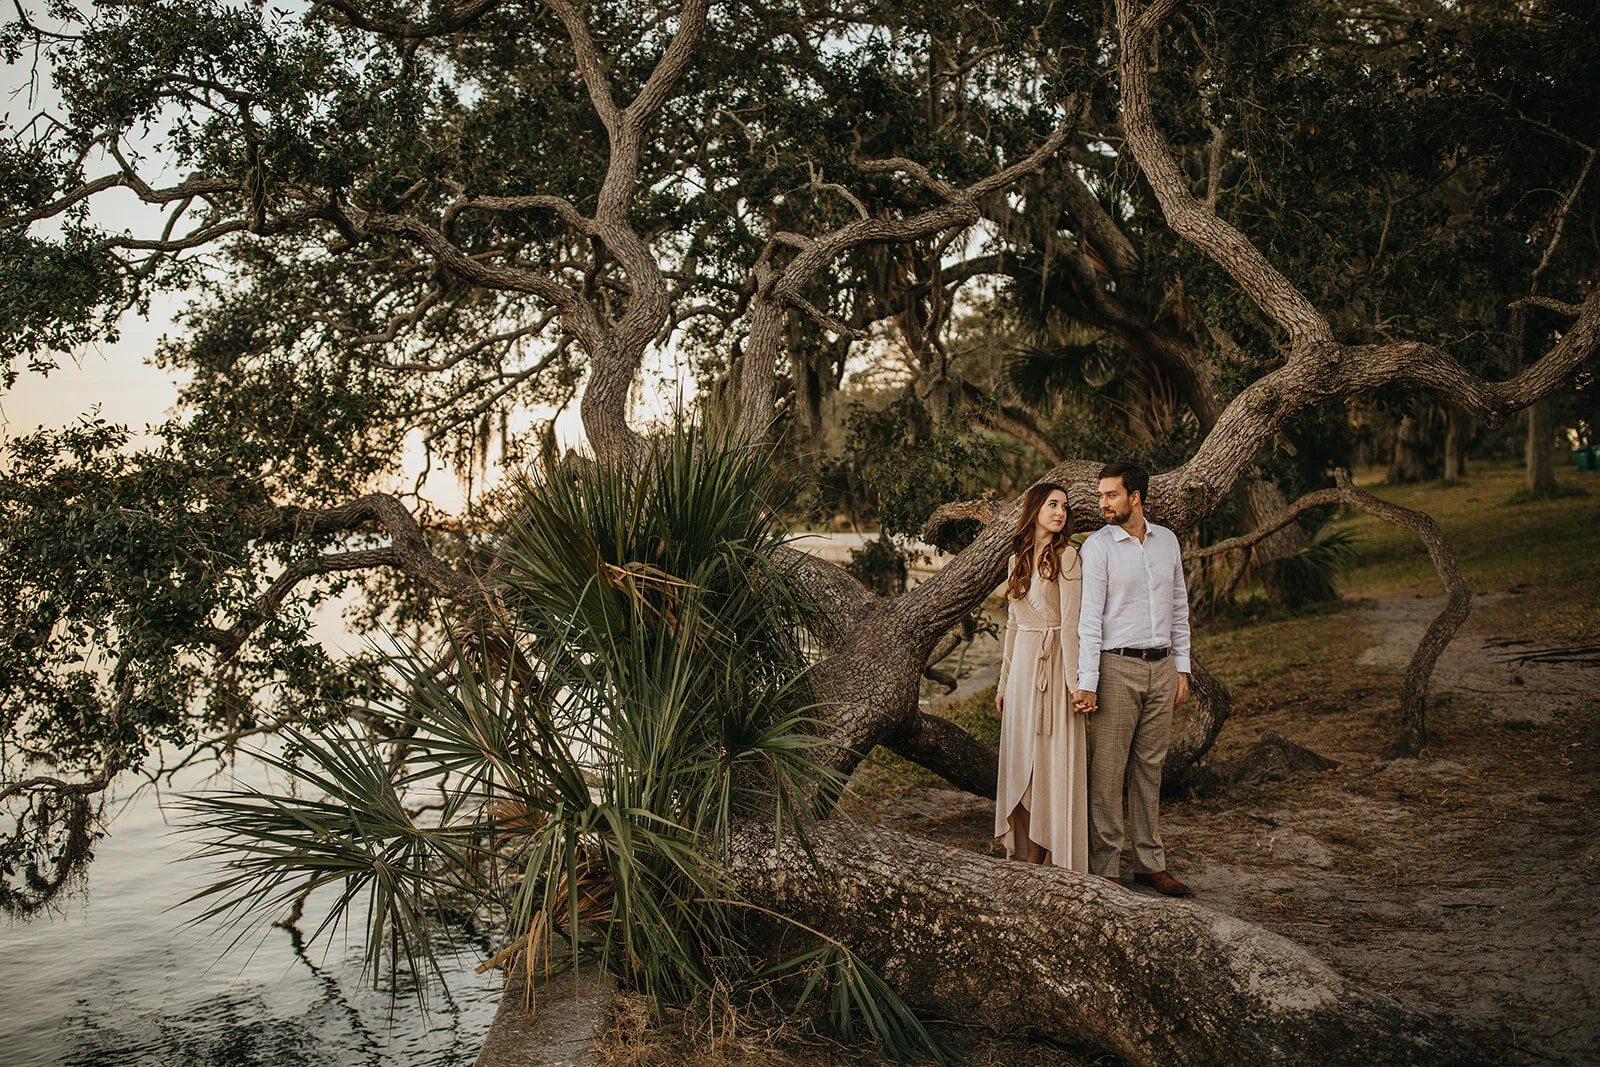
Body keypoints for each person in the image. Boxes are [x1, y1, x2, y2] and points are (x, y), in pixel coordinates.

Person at [1072, 462, 1194, 896]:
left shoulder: (1167, 542)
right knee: (1108, 770)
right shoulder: (1097, 548)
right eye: (1101, 495)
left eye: (1110, 495)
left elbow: (1179, 605)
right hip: (1116, 667)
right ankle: (1105, 867)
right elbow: (1089, 621)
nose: (1102, 503)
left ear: (1135, 497)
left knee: (1149, 768)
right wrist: (1088, 681)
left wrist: (1182, 667)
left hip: (1162, 667)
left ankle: (1149, 863)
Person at [994, 482, 1090, 871]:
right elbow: (1013, 626)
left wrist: (1076, 685)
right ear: (1034, 510)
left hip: (1054, 667)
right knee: (1024, 758)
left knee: (1050, 761)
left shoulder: (1068, 557)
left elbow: (1070, 626)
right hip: (1022, 674)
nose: (1060, 512)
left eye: (1065, 507)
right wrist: (1003, 684)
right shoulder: (1017, 559)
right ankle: (1026, 845)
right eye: (1053, 504)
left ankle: (1045, 850)